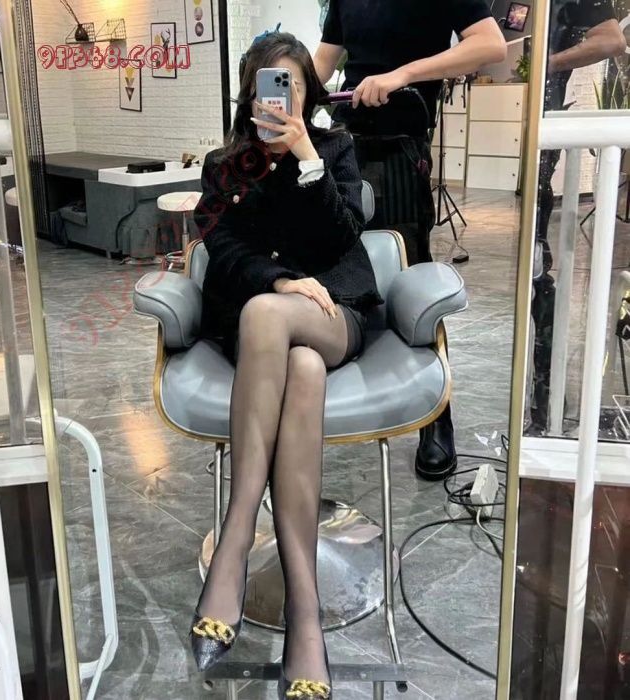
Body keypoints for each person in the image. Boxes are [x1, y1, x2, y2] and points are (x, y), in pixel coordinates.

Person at [189, 32, 383, 700]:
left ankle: (238, 532)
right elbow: (221, 250)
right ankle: (306, 617)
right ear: (250, 95)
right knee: (297, 363)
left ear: (308, 93)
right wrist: (277, 280)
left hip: (335, 312)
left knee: (274, 321)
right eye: (268, 86)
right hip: (268, 327)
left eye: (292, 85)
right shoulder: (226, 166)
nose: (279, 98)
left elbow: (342, 237)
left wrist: (305, 156)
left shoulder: (334, 150)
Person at [313, 0, 507, 481]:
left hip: (403, 143)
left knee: (414, 280)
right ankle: (342, 397)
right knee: (337, 264)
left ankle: (436, 418)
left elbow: (491, 45)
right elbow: (324, 61)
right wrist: (285, 90)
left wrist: (402, 75)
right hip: (347, 143)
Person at [530, 0, 625, 432]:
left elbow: (612, 40)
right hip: (527, 128)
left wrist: (549, 63)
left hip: (542, 135)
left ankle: (546, 397)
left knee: (536, 273)